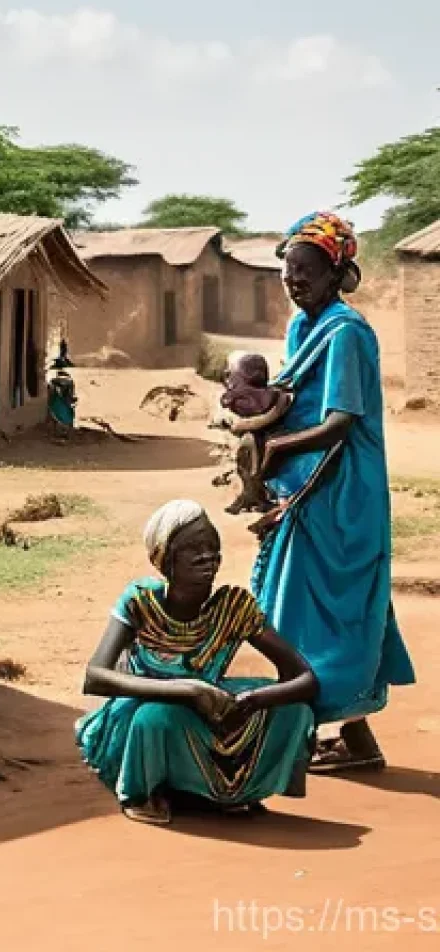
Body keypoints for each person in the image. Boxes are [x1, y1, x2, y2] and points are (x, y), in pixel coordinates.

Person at [252, 211, 416, 773]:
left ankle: (308, 729)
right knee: (302, 605)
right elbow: (287, 398)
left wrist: (274, 448)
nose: (294, 281)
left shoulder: (346, 332)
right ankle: (353, 737)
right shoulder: (302, 328)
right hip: (305, 482)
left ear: (334, 274)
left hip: (344, 487)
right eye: (288, 271)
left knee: (339, 606)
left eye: (305, 271)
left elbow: (340, 422)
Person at [76, 500, 318, 826]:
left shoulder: (233, 606)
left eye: (213, 546)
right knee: (154, 718)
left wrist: (253, 700)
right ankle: (145, 792)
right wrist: (187, 691)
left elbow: (303, 678)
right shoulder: (141, 600)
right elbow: (95, 677)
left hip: (206, 710)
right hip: (141, 716)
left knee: (296, 711)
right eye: (193, 549)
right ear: (165, 558)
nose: (208, 556)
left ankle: (227, 792)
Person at [220, 351, 293, 515]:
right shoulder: (270, 395)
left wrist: (243, 425)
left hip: (268, 440)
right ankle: (251, 497)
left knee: (253, 467)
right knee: (246, 466)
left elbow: (245, 421)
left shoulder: (269, 396)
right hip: (256, 439)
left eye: (233, 374)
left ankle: (256, 497)